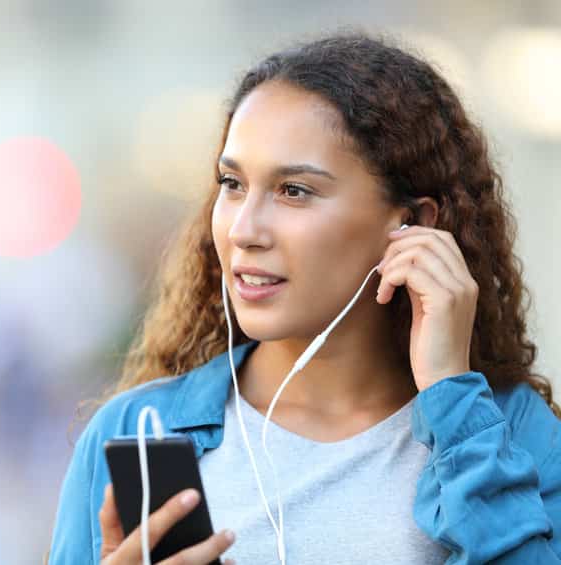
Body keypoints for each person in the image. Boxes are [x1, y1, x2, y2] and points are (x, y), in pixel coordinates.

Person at [47, 31, 561, 564]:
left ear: (412, 224)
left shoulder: (514, 437)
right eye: (232, 183)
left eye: (294, 190)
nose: (245, 230)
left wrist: (453, 399)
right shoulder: (137, 433)